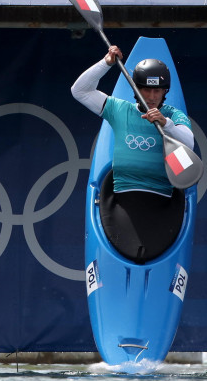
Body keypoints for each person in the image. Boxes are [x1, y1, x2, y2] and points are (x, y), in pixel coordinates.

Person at [71, 45, 194, 263]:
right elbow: (79, 91)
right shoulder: (119, 110)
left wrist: (166, 125)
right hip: (122, 200)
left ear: (166, 91)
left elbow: (189, 144)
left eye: (158, 91)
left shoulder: (174, 116)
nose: (152, 96)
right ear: (135, 88)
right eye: (147, 89)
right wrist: (106, 63)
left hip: (162, 203)